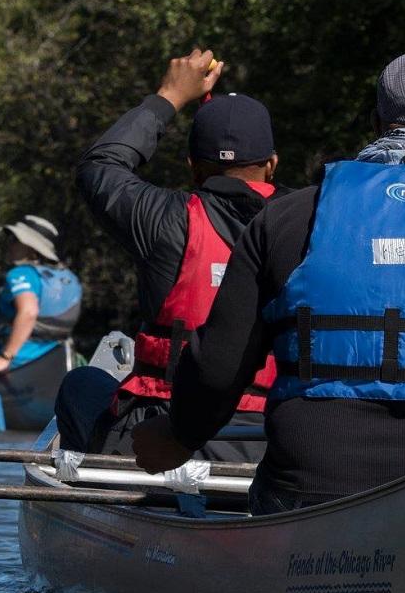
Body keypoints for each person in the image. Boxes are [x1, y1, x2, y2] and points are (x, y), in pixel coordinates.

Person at [133, 50, 405, 514]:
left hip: (312, 487)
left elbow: (219, 367)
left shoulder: (286, 219)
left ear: (375, 123)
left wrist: (179, 435)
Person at [55, 48, 282, 458]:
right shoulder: (309, 222)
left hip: (161, 437)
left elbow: (100, 166)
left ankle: (103, 503)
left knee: (82, 384)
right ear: (271, 165)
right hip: (271, 440)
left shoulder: (164, 220)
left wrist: (169, 96)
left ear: (193, 167)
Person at [0, 216, 82, 377]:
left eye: (15, 239)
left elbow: (29, 312)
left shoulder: (21, 274)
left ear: (31, 247)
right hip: (58, 362)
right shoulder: (69, 278)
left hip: (20, 365)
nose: (10, 244)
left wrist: (5, 357)